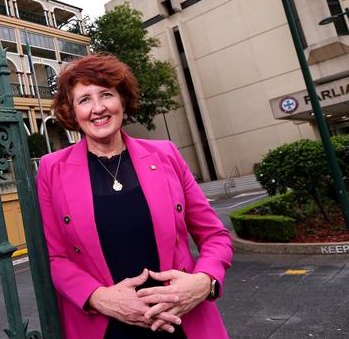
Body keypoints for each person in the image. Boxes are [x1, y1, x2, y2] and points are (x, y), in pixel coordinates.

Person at [36, 54, 233, 339]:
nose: (98, 108)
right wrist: (100, 298)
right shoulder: (51, 169)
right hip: (105, 326)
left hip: (182, 320)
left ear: (123, 100)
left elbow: (215, 236)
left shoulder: (166, 154)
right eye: (84, 99)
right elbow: (57, 258)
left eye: (106, 94)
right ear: (72, 111)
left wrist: (205, 282)